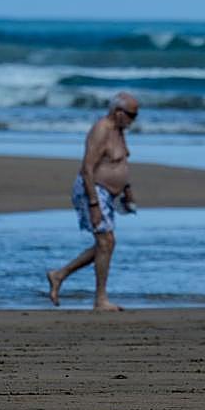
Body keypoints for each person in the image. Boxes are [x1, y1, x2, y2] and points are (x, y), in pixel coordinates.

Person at [47, 92, 140, 311]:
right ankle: (100, 299)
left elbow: (120, 162)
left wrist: (127, 190)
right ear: (118, 112)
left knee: (106, 243)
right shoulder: (101, 130)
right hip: (93, 190)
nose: (133, 120)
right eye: (131, 115)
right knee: (106, 242)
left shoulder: (119, 130)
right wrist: (94, 204)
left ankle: (59, 275)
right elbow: (87, 168)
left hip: (108, 193)